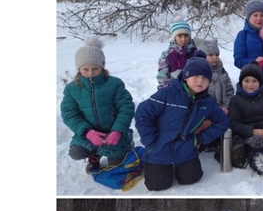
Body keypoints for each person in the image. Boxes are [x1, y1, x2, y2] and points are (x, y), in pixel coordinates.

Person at [135, 50, 229, 191]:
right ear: (185, 76)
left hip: (186, 148)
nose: (200, 81)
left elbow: (222, 122)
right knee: (157, 186)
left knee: (191, 179)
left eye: (205, 78)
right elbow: (143, 113)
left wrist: (200, 139)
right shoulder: (168, 93)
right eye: (195, 76)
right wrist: (149, 140)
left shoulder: (207, 102)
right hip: (160, 146)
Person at [61, 37, 135, 173]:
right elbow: (69, 114)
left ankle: (126, 144)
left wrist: (117, 130)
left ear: (102, 67)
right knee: (76, 152)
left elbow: (126, 108)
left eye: (95, 68)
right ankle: (93, 156)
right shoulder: (72, 89)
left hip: (113, 133)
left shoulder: (115, 84)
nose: (90, 73)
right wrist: (87, 132)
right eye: (86, 69)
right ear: (79, 69)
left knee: (117, 165)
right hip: (89, 133)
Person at [192, 37, 235, 152]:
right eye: (210, 55)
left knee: (228, 120)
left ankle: (219, 141)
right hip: (205, 109)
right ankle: (201, 141)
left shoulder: (223, 72)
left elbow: (230, 91)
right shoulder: (200, 73)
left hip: (221, 107)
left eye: (216, 54)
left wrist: (226, 106)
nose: (215, 57)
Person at [157, 16, 197, 89]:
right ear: (174, 37)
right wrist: (166, 90)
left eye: (186, 35)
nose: (183, 39)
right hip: (175, 90)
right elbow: (162, 76)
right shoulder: (166, 55)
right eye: (180, 36)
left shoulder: (196, 53)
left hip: (194, 90)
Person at [234, 0, 263, 69]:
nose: (259, 18)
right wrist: (254, 62)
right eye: (255, 15)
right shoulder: (243, 35)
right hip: (253, 75)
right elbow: (238, 61)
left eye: (262, 15)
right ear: (249, 18)